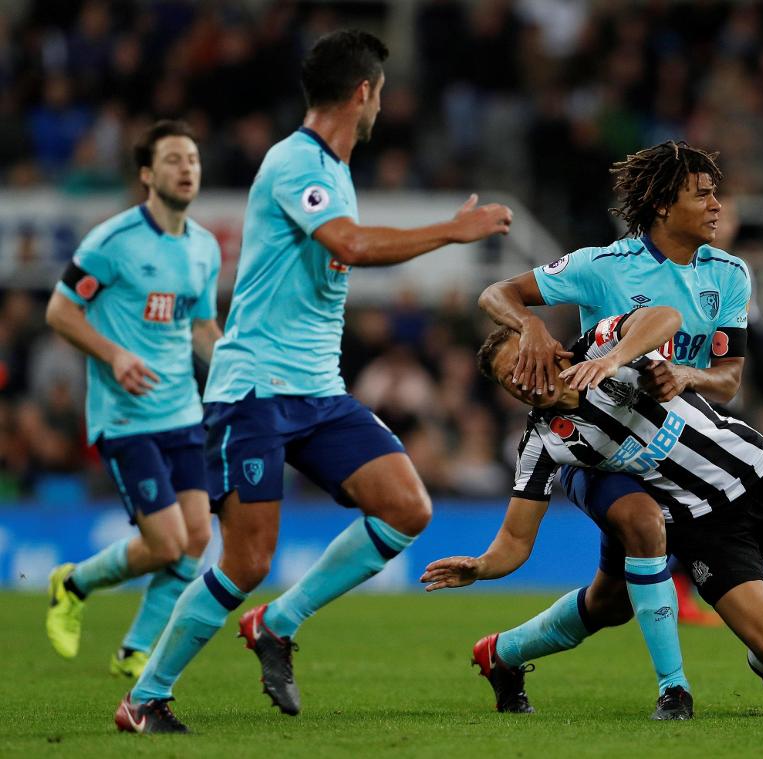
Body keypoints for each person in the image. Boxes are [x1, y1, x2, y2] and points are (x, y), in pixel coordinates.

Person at [114, 29, 513, 734]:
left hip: (317, 390)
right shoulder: (297, 161)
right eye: (380, 93)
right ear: (363, 93)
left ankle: (278, 621)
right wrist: (453, 231)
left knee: (406, 506)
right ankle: (145, 696)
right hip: (255, 391)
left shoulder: (334, 169)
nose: (381, 106)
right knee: (245, 559)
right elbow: (351, 246)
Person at [423, 307, 763, 717]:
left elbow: (666, 318)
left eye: (520, 361)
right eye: (506, 379)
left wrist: (617, 357)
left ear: (549, 348)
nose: (518, 379)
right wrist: (481, 565)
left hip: (759, 474)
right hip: (702, 524)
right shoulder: (543, 445)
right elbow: (515, 541)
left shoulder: (606, 346)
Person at [474, 141, 750, 719]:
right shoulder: (602, 266)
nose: (716, 204)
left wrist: (676, 375)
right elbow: (494, 292)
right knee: (643, 523)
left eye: (713, 193)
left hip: (673, 438)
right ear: (662, 205)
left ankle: (501, 653)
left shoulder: (725, 275)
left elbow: (722, 376)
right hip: (593, 451)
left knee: (610, 603)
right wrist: (527, 323)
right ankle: (674, 690)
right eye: (703, 193)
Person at [45, 119, 222, 680]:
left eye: (192, 158)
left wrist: (237, 375)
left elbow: (202, 328)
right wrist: (114, 355)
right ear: (147, 175)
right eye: (173, 159)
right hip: (125, 417)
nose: (186, 168)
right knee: (168, 543)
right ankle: (72, 584)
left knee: (195, 540)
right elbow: (60, 311)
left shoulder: (204, 247)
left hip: (182, 414)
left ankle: (135, 649)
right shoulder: (111, 242)